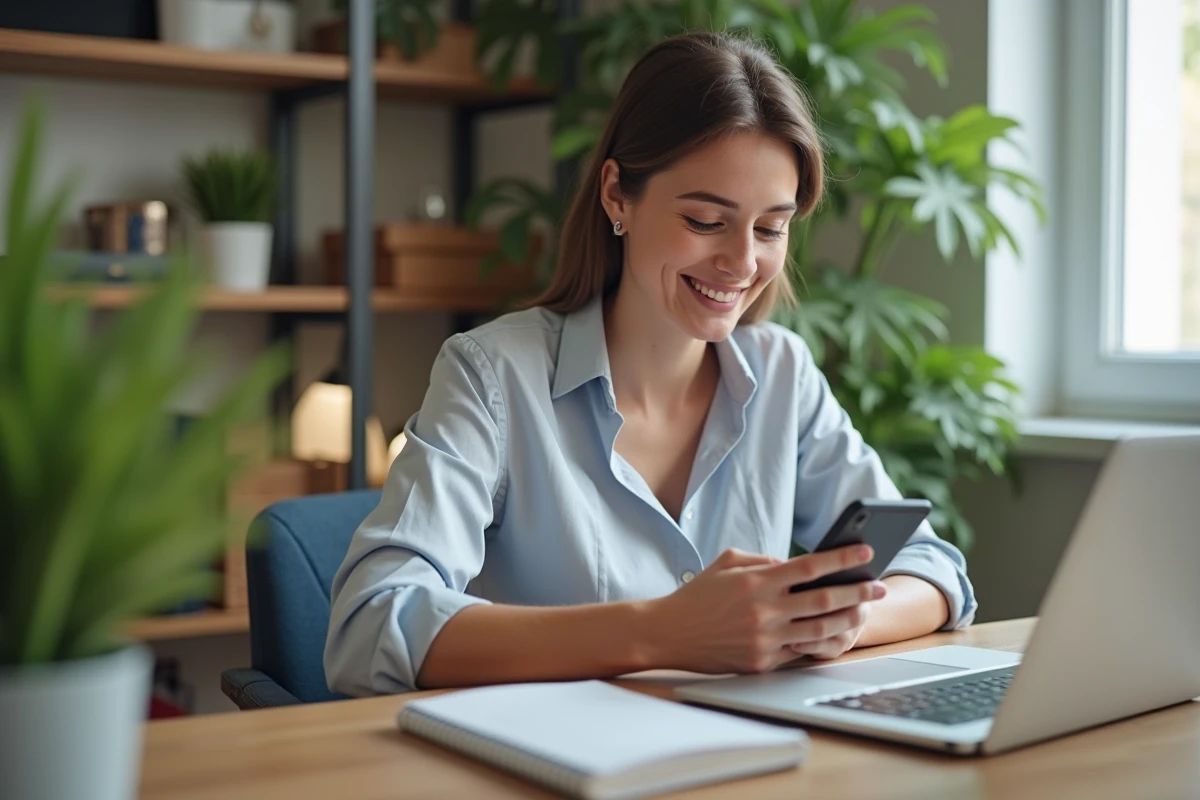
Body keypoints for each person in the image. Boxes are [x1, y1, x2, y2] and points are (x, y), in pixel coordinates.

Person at [324, 31, 976, 696]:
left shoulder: (782, 372)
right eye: (704, 221)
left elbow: (933, 569)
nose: (743, 263)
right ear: (616, 196)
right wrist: (665, 632)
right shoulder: (493, 376)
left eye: (771, 228)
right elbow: (372, 625)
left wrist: (822, 623)